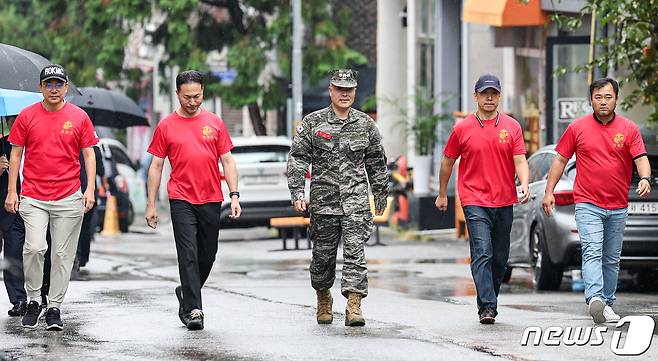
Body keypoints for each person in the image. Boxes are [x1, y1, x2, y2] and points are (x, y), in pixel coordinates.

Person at [542, 78, 651, 324]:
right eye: (598, 97)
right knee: (592, 250)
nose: (603, 102)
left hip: (618, 205)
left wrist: (645, 178)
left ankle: (607, 305)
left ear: (616, 99)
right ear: (590, 100)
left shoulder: (629, 129)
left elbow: (641, 157)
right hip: (588, 203)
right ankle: (594, 298)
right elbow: (560, 160)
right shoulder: (577, 128)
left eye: (608, 97)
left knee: (611, 257)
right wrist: (549, 190)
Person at [287, 69, 389, 327]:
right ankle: (323, 297)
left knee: (356, 254)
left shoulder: (365, 124)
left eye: (349, 90)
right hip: (324, 203)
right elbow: (298, 158)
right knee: (323, 256)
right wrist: (298, 191)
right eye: (339, 89)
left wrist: (380, 193)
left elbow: (376, 161)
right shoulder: (313, 123)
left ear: (354, 92)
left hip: (356, 202)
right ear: (330, 91)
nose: (344, 94)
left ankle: (354, 304)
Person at [145, 70, 241, 331]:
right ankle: (195, 310)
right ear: (177, 94)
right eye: (187, 97)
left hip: (211, 197)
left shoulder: (215, 123)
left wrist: (234, 195)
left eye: (197, 96)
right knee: (187, 253)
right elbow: (156, 165)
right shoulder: (166, 125)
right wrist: (151, 203)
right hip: (181, 198)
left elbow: (228, 161)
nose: (192, 101)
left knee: (208, 255)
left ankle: (186, 292)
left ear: (203, 93)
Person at [4, 64, 98, 331]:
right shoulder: (27, 116)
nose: (54, 89)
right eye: (49, 84)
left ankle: (54, 306)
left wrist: (89, 188)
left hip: (68, 196)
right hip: (33, 195)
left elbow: (89, 154)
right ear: (40, 88)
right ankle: (34, 300)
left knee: (61, 254)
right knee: (34, 248)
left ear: (66, 87)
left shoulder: (79, 117)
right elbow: (16, 154)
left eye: (59, 84)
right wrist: (13, 191)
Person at [435, 74, 529, 324]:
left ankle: (490, 297)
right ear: (475, 96)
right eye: (484, 93)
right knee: (482, 252)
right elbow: (447, 160)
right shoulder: (463, 128)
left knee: (500, 257)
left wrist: (525, 184)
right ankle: (487, 306)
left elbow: (519, 159)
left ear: (499, 96)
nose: (489, 97)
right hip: (474, 198)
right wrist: (443, 192)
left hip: (504, 199)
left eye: (494, 93)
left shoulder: (512, 126)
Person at [1, 115, 27, 317]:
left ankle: (30, 297)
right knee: (11, 254)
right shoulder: (3, 145)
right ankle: (18, 299)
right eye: (12, 120)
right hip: (6, 208)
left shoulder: (37, 144)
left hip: (34, 204)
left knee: (28, 253)